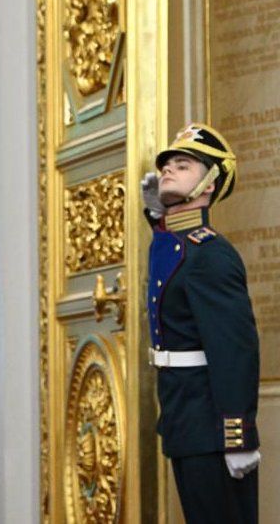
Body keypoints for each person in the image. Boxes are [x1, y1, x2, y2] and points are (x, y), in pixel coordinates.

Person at [141, 122, 260, 522]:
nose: (168, 170)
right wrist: (156, 218)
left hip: (211, 425)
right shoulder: (178, 245)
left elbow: (235, 350)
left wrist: (237, 434)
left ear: (208, 184)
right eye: (166, 165)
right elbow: (168, 265)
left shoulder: (211, 254)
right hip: (185, 418)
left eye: (183, 164)